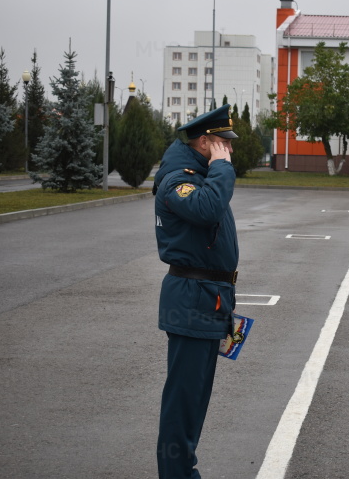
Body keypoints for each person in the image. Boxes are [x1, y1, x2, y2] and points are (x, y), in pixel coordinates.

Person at [153, 104, 240, 478]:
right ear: (205, 142)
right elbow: (206, 210)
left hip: (208, 298)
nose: (230, 151)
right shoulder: (178, 180)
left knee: (195, 402)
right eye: (224, 144)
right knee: (183, 407)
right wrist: (221, 168)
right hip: (191, 300)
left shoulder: (201, 174)